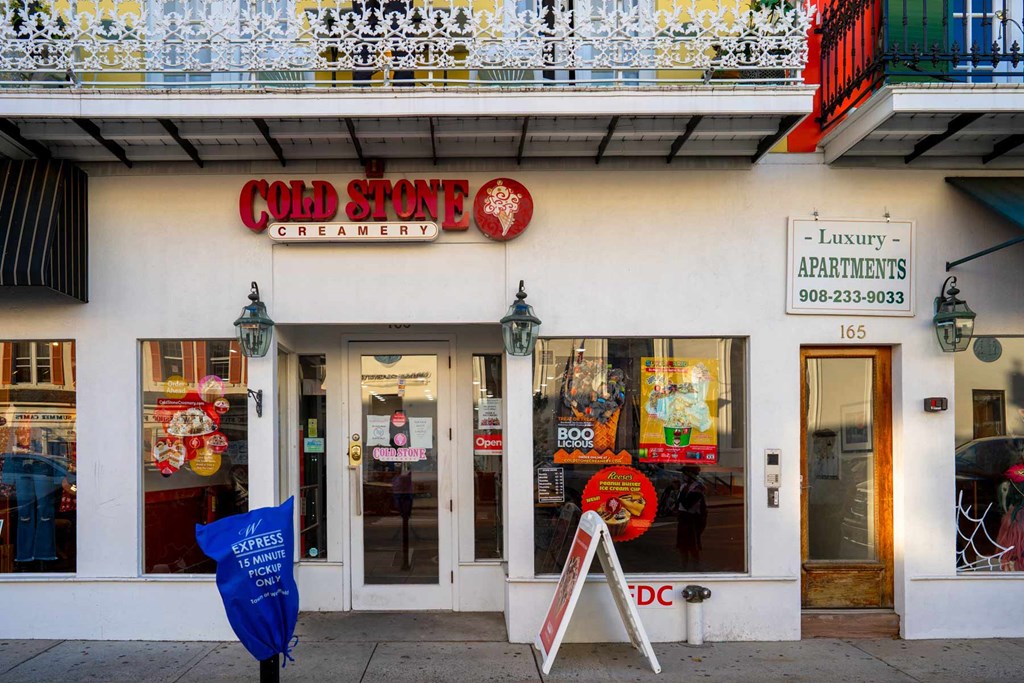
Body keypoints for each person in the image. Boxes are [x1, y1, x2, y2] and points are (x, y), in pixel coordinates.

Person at [675, 466, 708, 571]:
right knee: (682, 546)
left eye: (684, 474)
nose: (682, 476)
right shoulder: (684, 486)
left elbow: (687, 504)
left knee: (693, 546)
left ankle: (696, 568)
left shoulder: (697, 488)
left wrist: (681, 495)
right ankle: (682, 566)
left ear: (690, 475)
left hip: (692, 520)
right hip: (683, 519)